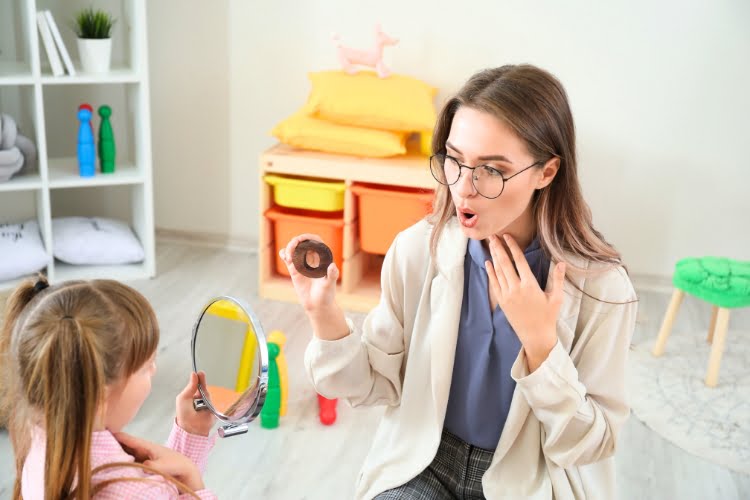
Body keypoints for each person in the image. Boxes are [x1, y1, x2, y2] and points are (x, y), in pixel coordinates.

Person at [280, 64, 638, 499]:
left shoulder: (603, 290)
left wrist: (543, 348)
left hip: (530, 478)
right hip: (425, 461)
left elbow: (593, 442)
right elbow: (374, 383)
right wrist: (324, 315)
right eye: (455, 159)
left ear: (546, 173)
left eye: (492, 169)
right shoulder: (416, 252)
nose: (463, 187)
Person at [0, 277, 218, 499]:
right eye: (146, 366)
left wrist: (189, 435)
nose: (154, 369)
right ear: (99, 394)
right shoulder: (137, 493)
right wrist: (193, 482)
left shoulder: (37, 439)